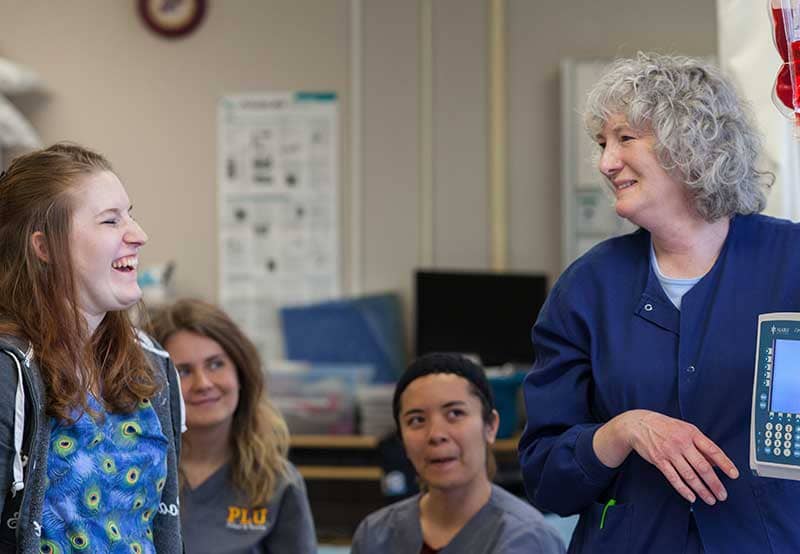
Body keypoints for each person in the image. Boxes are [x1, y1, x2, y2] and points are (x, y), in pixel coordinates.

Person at [518, 52, 800, 553]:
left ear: (690, 143)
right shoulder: (588, 288)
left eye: (625, 138)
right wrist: (624, 430)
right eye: (602, 144)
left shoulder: (790, 263)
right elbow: (545, 476)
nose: (606, 162)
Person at [0, 143, 184, 553]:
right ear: (44, 247)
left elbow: (166, 527)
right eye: (110, 221)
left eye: (130, 215)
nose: (138, 235)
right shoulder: (9, 370)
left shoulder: (152, 364)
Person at [352, 353, 565, 554]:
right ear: (402, 439)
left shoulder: (528, 540)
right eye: (416, 420)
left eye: (455, 413)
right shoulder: (375, 536)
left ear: (490, 426)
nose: (436, 434)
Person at [150, 298, 317, 554]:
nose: (203, 383)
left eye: (216, 364)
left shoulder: (278, 484)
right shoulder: (137, 475)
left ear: (241, 373)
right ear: (156, 384)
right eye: (183, 371)